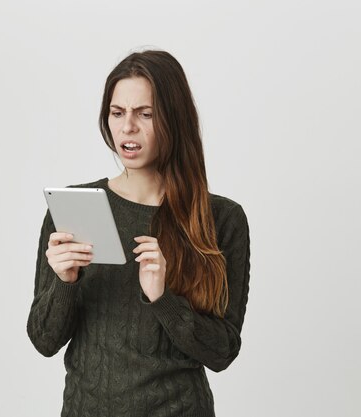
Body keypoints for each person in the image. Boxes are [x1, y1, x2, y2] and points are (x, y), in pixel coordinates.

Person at [26, 49, 251, 417]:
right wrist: (64, 282)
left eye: (145, 114)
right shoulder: (73, 209)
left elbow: (223, 352)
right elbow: (44, 340)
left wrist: (164, 298)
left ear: (174, 120)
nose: (127, 127)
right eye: (117, 113)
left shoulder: (221, 218)